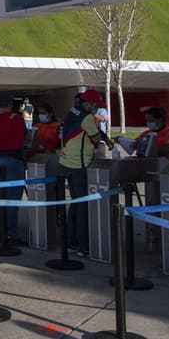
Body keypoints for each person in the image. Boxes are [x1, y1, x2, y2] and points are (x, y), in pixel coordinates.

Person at [59, 89, 108, 258]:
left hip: (66, 162)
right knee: (82, 205)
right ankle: (83, 245)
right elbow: (95, 139)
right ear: (90, 103)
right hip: (79, 164)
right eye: (95, 105)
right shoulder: (87, 117)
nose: (96, 108)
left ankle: (70, 240)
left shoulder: (72, 111)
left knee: (75, 202)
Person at [0, 96, 27, 243]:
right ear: (10, 104)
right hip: (13, 160)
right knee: (12, 198)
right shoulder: (16, 119)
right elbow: (24, 137)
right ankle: (11, 234)